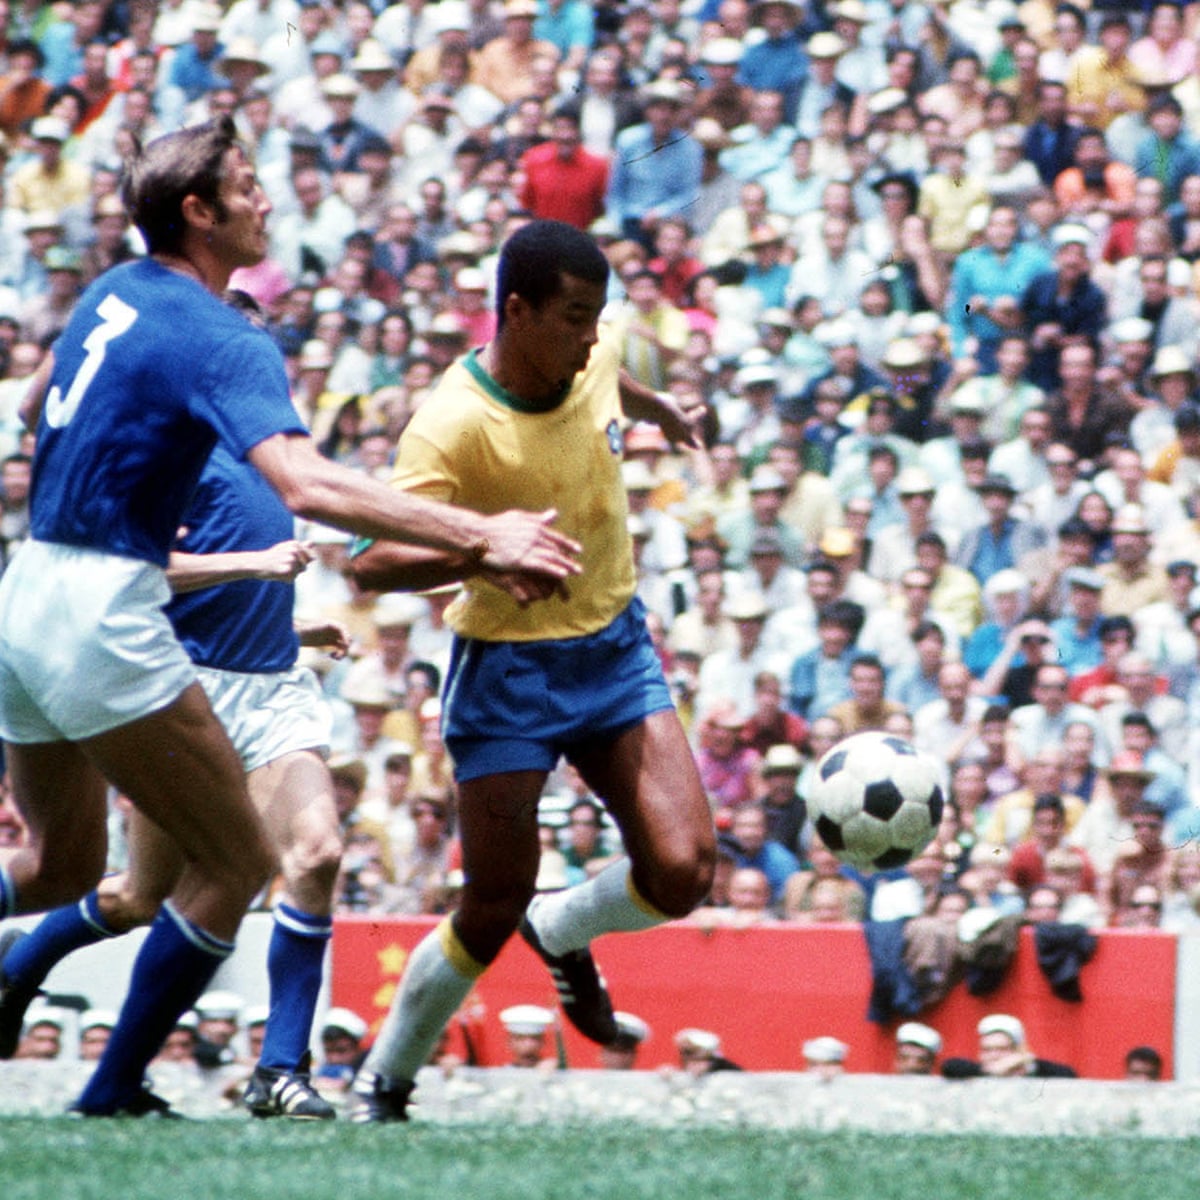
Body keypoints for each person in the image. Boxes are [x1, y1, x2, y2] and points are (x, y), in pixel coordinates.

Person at [0, 119, 580, 1119]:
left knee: (56, 866)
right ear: (200, 211)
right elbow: (306, 482)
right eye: (250, 186)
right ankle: (109, 1095)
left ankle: (161, 1074)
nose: (268, 200)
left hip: (27, 591)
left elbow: (41, 402)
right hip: (108, 611)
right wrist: (485, 537)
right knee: (239, 862)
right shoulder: (220, 331)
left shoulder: (111, 292)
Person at [348, 219, 716, 1122]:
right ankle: (385, 1082)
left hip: (613, 650)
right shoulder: (451, 425)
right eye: (575, 318)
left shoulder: (592, 349)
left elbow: (605, 381)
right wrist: (479, 550)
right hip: (509, 669)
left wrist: (655, 407)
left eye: (598, 319)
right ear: (515, 312)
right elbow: (369, 561)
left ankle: (561, 928)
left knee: (685, 870)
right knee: (489, 901)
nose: (592, 337)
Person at [941, 1013, 1077, 1078]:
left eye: (1001, 1049)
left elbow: (1069, 1075)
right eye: (987, 1050)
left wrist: (1029, 1063)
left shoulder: (1031, 1070)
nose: (994, 1055)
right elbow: (949, 1066)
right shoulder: (974, 1072)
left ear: (1017, 1050)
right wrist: (991, 1071)